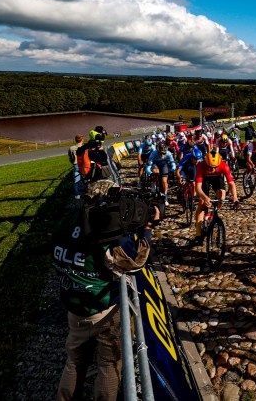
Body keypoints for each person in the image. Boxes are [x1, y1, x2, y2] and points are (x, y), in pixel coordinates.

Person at [55, 180, 156, 401]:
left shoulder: (67, 222)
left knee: (74, 362)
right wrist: (146, 231)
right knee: (109, 364)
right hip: (105, 307)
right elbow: (135, 262)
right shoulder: (105, 230)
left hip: (74, 307)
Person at [192, 149, 239, 241]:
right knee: (202, 203)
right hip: (204, 180)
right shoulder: (201, 166)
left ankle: (211, 215)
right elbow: (198, 188)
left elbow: (231, 184)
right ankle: (198, 233)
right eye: (210, 167)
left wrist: (235, 197)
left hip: (217, 179)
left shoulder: (224, 166)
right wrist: (205, 197)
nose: (213, 169)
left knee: (222, 197)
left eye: (215, 167)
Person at [68, 135, 84, 199]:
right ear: (82, 140)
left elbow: (70, 157)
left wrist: (73, 162)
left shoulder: (71, 148)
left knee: (76, 180)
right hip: (83, 165)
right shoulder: (84, 147)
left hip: (76, 165)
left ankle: (77, 194)